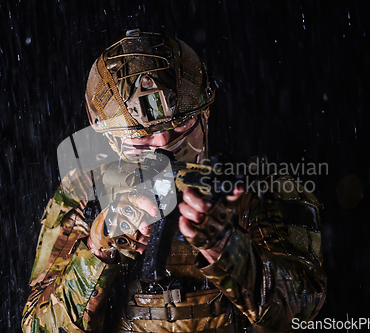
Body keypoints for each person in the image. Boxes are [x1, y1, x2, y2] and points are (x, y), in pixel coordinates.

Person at [22, 30, 326, 333]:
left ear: (205, 113)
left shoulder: (258, 187)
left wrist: (227, 250)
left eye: (182, 125)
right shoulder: (85, 192)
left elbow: (302, 313)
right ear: (110, 139)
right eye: (140, 138)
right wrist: (100, 248)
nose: (163, 142)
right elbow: (39, 326)